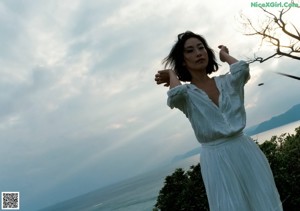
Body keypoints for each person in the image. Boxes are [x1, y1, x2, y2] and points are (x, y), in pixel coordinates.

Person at [154, 31, 283, 211]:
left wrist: (224, 55)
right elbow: (175, 95)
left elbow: (242, 69)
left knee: (263, 199)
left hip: (244, 149)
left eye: (201, 48)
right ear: (183, 61)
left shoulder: (228, 82)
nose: (199, 53)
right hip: (215, 157)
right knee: (229, 205)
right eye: (190, 51)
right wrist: (171, 73)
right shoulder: (187, 95)